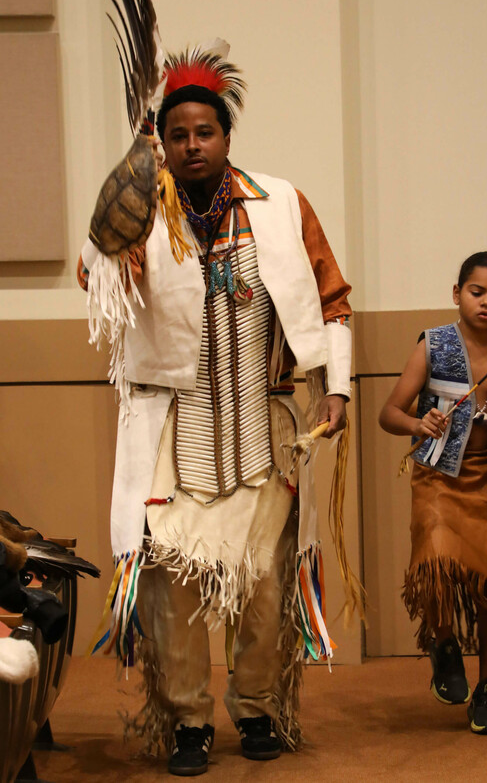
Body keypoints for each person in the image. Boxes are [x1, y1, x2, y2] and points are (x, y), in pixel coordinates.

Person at [78, 40, 352, 775]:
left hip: (264, 426)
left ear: (227, 137)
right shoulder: (140, 211)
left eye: (205, 132)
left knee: (263, 584)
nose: (192, 144)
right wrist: (133, 177)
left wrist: (335, 384)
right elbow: (94, 269)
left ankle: (258, 710)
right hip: (172, 430)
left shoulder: (281, 203)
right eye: (178, 134)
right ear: (160, 141)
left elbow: (331, 298)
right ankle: (190, 722)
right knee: (175, 591)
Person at [379, 251, 487, 735]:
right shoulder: (433, 344)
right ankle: (443, 643)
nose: (486, 302)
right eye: (476, 292)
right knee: (434, 565)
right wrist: (417, 422)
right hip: (438, 482)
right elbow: (389, 413)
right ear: (457, 294)